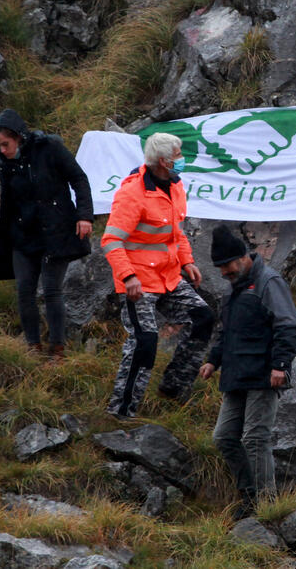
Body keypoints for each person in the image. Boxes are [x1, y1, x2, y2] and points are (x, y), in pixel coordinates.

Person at [101, 132, 215, 420]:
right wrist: (128, 277)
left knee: (203, 317)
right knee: (145, 342)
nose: (182, 159)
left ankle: (174, 387)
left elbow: (176, 232)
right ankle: (120, 413)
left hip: (169, 277)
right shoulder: (132, 193)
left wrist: (187, 262)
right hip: (138, 282)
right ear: (164, 161)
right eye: (178, 155)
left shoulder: (176, 186)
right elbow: (111, 241)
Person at [199, 225, 296, 519]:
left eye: (227, 266)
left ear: (243, 257)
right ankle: (249, 496)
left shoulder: (269, 282)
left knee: (256, 439)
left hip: (263, 376)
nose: (223, 273)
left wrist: (280, 365)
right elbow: (225, 331)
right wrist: (212, 360)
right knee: (224, 438)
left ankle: (266, 506)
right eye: (219, 268)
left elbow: (288, 325)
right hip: (235, 377)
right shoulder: (232, 291)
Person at [0, 108, 93, 357]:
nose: (3, 150)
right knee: (24, 290)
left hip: (55, 231)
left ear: (19, 136)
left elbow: (79, 178)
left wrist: (84, 216)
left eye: (6, 144)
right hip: (23, 237)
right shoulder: (5, 166)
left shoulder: (50, 148)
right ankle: (32, 347)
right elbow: (7, 208)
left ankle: (57, 348)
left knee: (51, 289)